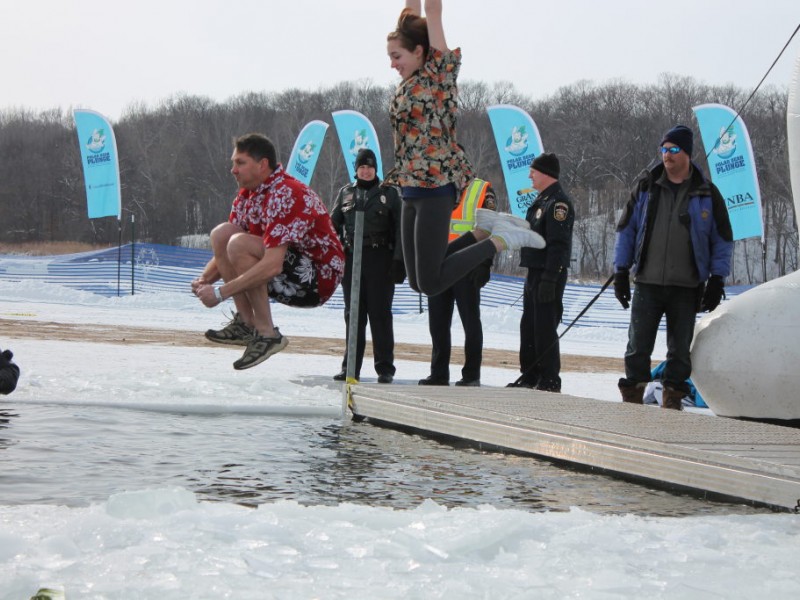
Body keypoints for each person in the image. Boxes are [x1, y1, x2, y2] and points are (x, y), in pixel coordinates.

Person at [385, 0, 543, 300]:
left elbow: (432, 10)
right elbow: (411, 17)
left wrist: (429, 11)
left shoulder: (438, 78)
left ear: (419, 52)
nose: (392, 64)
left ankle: (499, 239)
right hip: (410, 188)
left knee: (430, 283)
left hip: (434, 189)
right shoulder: (407, 82)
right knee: (418, 282)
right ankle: (482, 232)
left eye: (396, 56)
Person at [192, 133, 345, 370]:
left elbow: (272, 264)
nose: (233, 170)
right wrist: (204, 281)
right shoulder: (248, 195)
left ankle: (266, 333)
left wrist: (220, 293)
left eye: (240, 163)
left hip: (316, 280)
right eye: (233, 163)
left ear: (262, 165)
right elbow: (226, 249)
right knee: (222, 234)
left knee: (238, 243)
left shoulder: (285, 192)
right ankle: (245, 322)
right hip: (285, 268)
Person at [614, 125, 733, 409]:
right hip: (647, 283)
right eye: (664, 149)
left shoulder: (707, 192)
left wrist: (717, 278)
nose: (667, 155)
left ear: (687, 154)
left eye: (673, 149)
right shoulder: (646, 186)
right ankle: (633, 403)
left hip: (687, 286)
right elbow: (626, 230)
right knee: (637, 348)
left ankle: (672, 404)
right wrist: (620, 270)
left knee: (679, 353)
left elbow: (723, 239)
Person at [330, 148, 405, 384]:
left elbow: (401, 229)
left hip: (379, 259)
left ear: (376, 169)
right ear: (356, 169)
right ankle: (350, 367)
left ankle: (385, 368)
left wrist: (398, 261)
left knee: (380, 315)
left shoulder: (389, 194)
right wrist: (333, 256)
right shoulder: (345, 193)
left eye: (370, 167)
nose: (366, 171)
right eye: (362, 167)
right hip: (352, 259)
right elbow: (331, 227)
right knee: (353, 315)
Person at [507, 153, 575, 393]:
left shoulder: (558, 204)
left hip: (548, 274)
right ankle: (529, 374)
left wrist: (550, 277)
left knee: (545, 326)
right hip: (534, 271)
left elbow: (559, 244)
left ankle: (549, 378)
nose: (529, 176)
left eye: (533, 172)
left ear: (545, 174)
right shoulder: (542, 200)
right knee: (529, 325)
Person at [419, 178, 496, 387]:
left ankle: (471, 374)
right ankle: (438, 373)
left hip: (467, 266)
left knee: (470, 322)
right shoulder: (434, 188)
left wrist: (485, 262)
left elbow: (490, 227)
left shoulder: (482, 190)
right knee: (437, 323)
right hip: (438, 265)